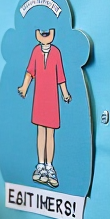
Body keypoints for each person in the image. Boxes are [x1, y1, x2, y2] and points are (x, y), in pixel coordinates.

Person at [17, 25, 70, 187]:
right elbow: (30, 72)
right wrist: (24, 87)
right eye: (41, 32)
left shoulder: (56, 53)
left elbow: (60, 76)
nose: (44, 34)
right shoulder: (35, 51)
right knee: (41, 132)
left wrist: (65, 93)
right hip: (39, 98)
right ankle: (40, 165)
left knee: (50, 134)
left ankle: (49, 166)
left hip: (52, 99)